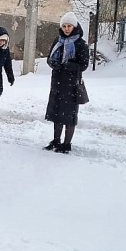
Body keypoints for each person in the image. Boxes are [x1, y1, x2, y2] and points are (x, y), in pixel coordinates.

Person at [44, 12, 90, 153]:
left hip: (71, 84)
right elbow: (49, 58)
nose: (66, 28)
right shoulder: (58, 41)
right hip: (57, 82)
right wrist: (53, 63)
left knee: (69, 115)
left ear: (74, 26)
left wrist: (68, 65)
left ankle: (66, 143)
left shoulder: (80, 43)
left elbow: (84, 64)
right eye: (64, 26)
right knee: (57, 113)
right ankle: (56, 140)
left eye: (69, 25)